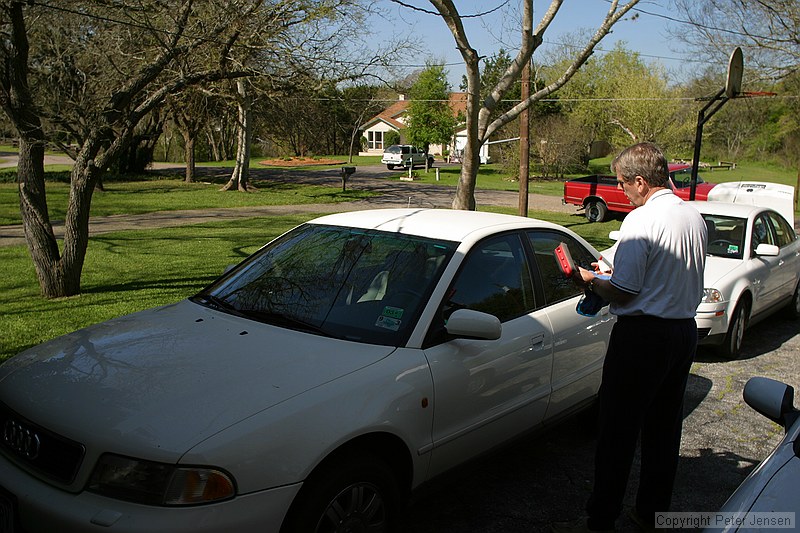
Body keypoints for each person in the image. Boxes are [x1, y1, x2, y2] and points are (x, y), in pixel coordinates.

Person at [552, 142, 707, 532]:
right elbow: (661, 274)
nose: (621, 190)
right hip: (682, 332)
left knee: (617, 431)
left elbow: (625, 290)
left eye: (622, 184)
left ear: (641, 181)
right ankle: (651, 513)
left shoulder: (641, 221)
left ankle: (598, 521)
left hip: (643, 337)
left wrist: (588, 279)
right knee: (663, 429)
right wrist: (611, 268)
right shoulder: (692, 216)